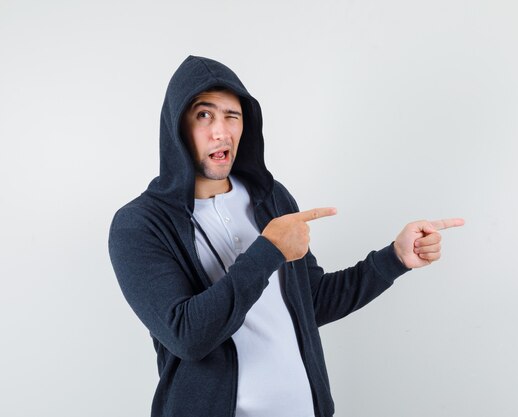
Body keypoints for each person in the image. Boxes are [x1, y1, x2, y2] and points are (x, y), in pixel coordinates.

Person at [108, 55, 464, 417]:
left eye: (232, 116)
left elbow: (311, 302)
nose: (221, 131)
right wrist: (268, 251)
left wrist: (394, 258)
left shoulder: (271, 198)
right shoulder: (139, 224)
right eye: (204, 115)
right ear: (176, 127)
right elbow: (187, 335)